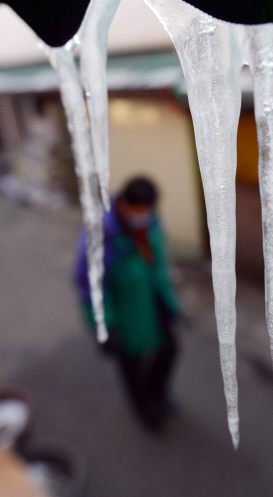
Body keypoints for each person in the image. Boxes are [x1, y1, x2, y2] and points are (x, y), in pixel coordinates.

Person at [74, 177, 180, 430]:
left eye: (150, 211)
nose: (147, 216)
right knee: (132, 368)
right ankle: (144, 409)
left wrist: (169, 301)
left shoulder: (150, 222)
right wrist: (105, 327)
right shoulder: (99, 238)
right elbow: (90, 287)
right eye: (141, 210)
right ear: (123, 205)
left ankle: (158, 395)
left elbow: (157, 262)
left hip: (152, 302)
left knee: (169, 351)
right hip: (123, 316)